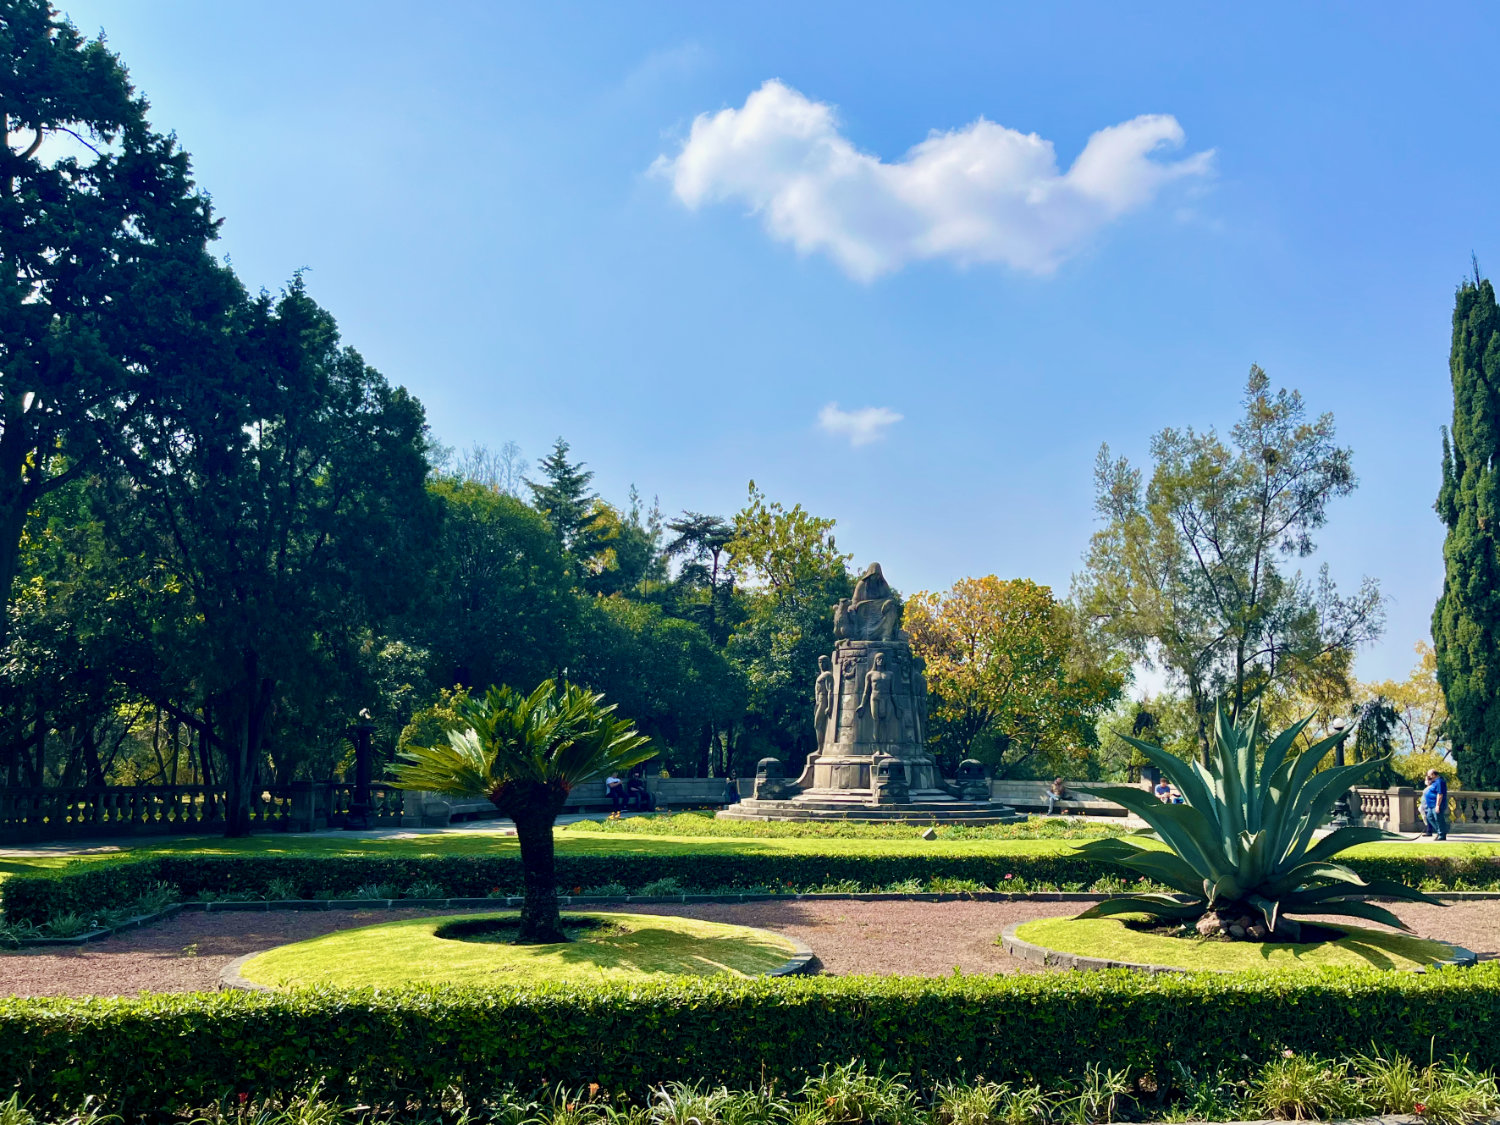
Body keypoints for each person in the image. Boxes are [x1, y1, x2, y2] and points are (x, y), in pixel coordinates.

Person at [1421, 768, 1449, 841]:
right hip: (1430, 805)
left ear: (1433, 775)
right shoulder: (1434, 782)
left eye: (1429, 775)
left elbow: (1440, 794)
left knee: (1438, 819)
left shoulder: (1439, 782)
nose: (1428, 776)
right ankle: (1440, 832)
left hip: (1436, 805)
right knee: (1429, 817)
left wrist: (1437, 805)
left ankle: (1442, 835)